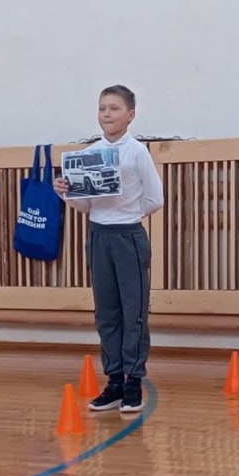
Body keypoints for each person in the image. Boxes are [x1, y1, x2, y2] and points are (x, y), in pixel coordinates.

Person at [53, 85, 164, 414]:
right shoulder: (90, 153)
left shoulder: (137, 152)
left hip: (128, 235)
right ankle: (114, 380)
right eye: (102, 108)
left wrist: (127, 213)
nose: (106, 114)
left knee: (134, 311)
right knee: (107, 312)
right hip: (99, 236)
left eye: (114, 108)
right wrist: (66, 193)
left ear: (130, 114)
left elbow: (155, 198)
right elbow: (86, 205)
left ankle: (133, 381)